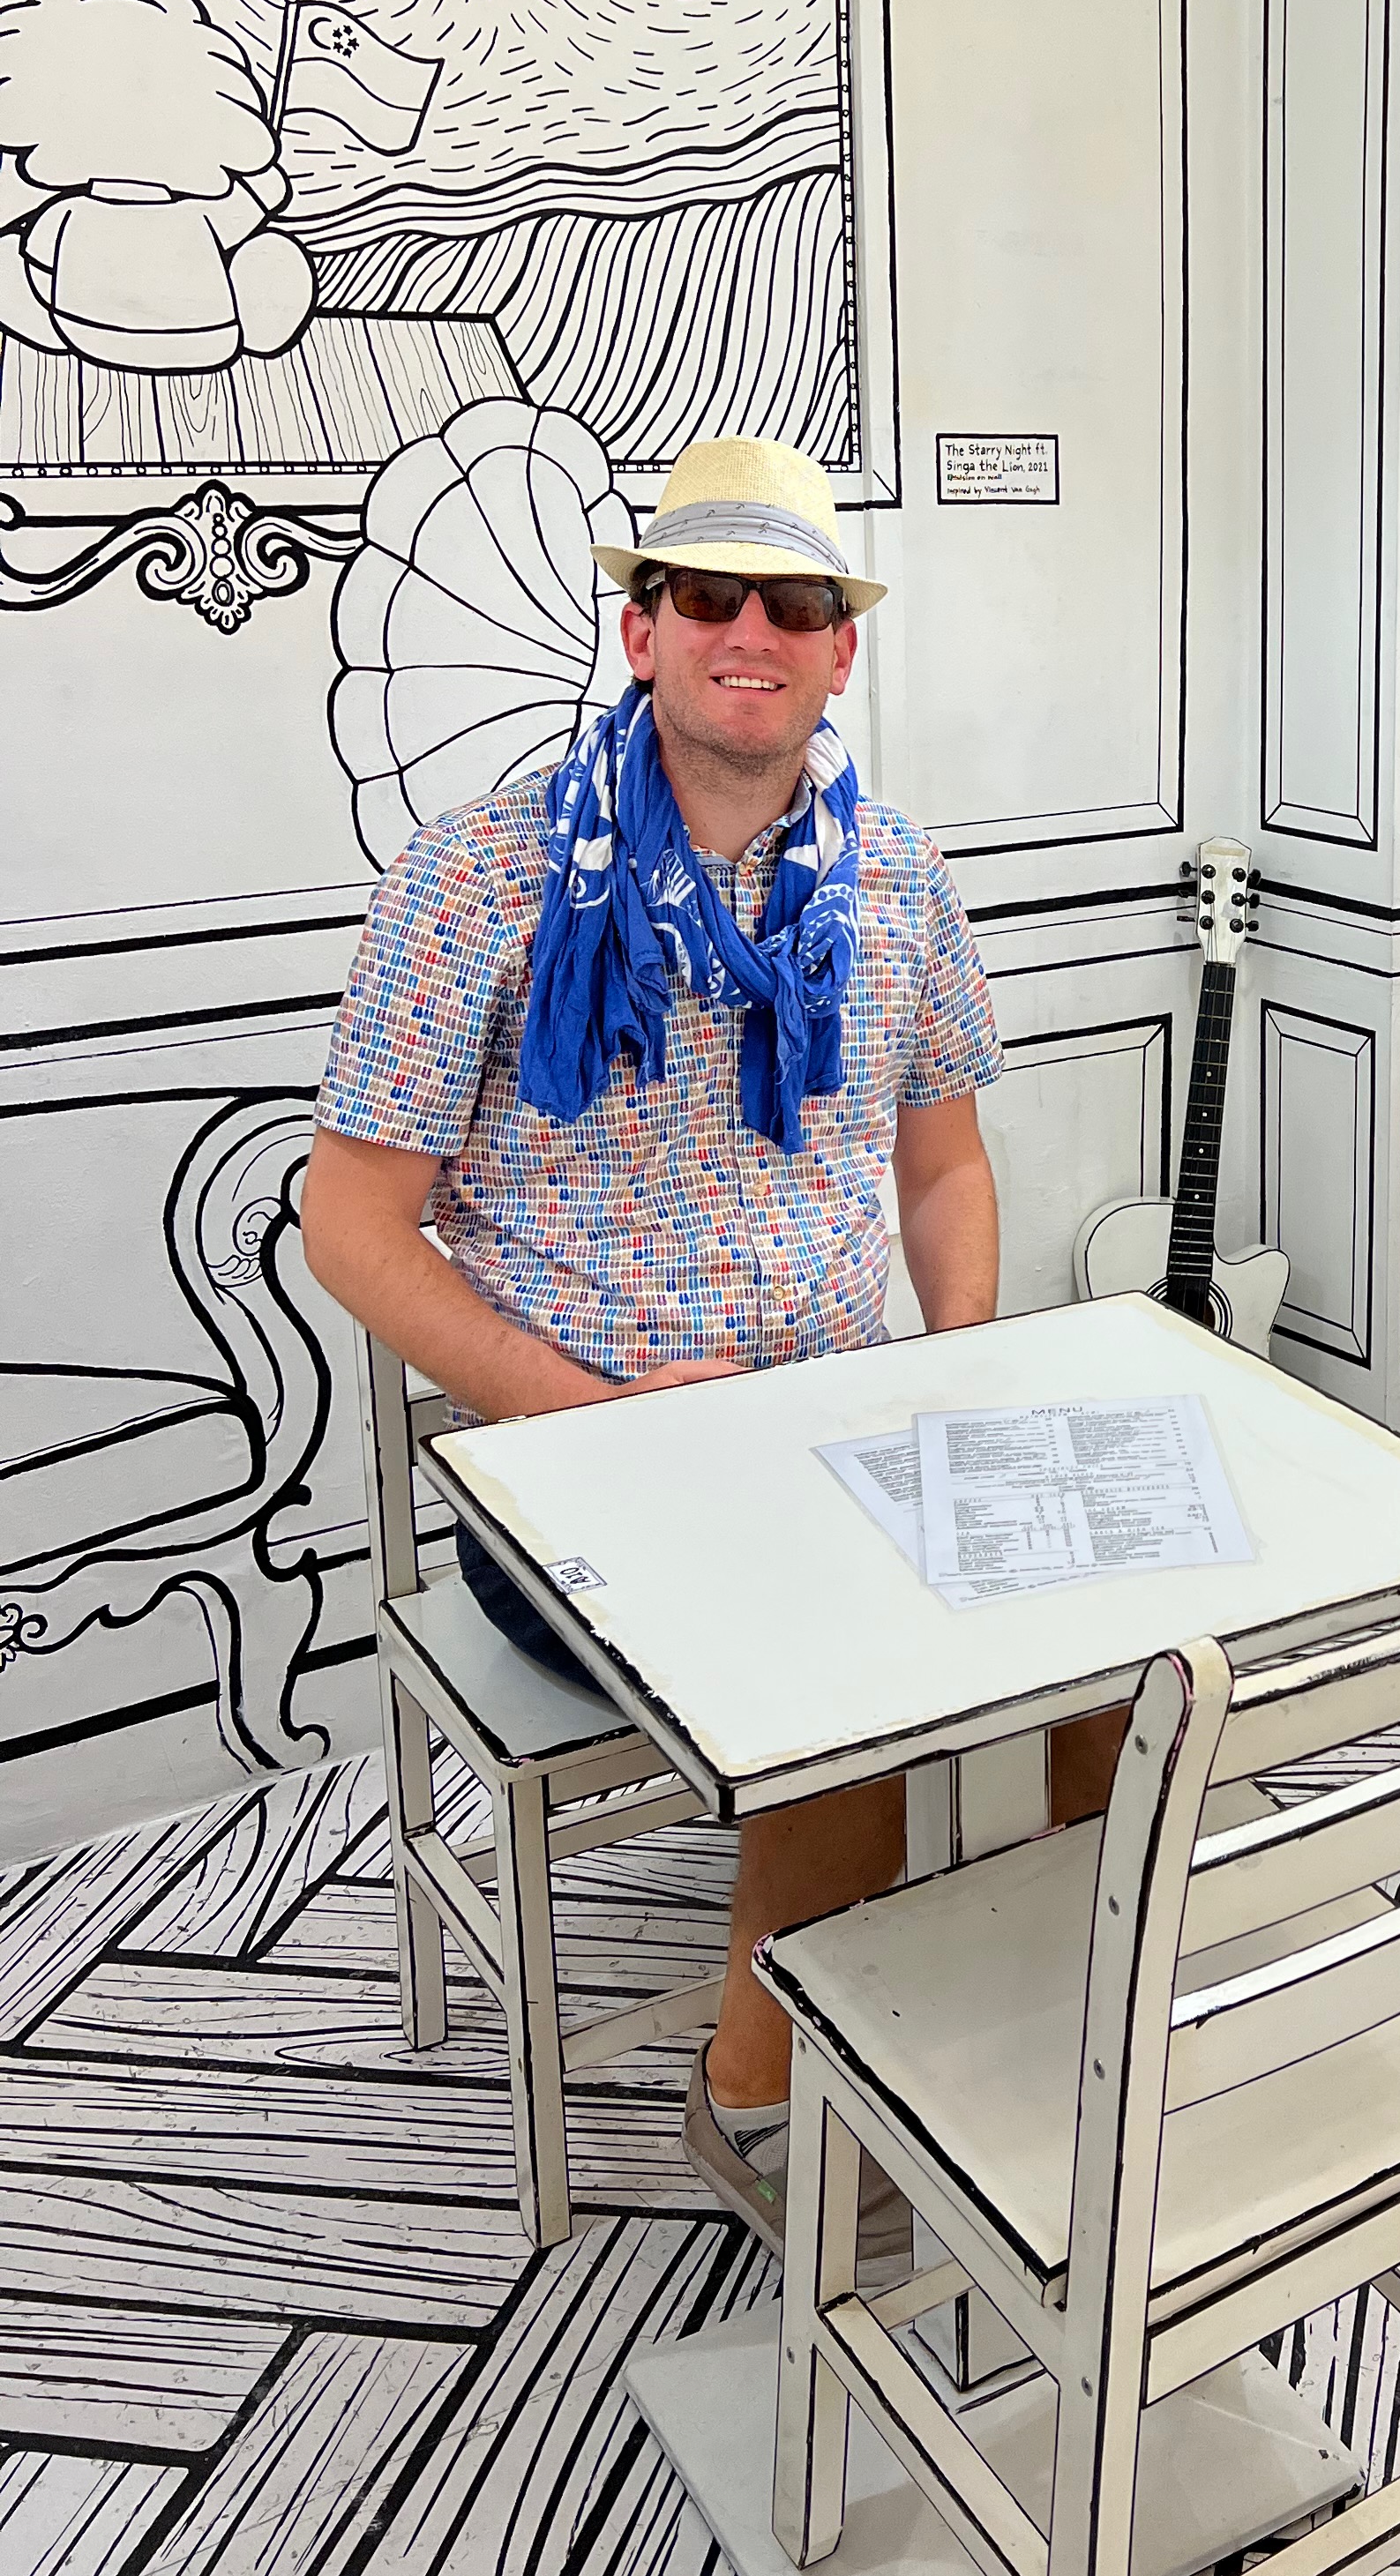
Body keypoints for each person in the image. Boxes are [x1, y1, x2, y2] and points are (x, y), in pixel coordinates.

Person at [305, 432, 1056, 2248]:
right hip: (574, 1472)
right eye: (707, 595)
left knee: (1112, 1638)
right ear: (641, 631)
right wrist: (589, 1420)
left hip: (841, 1422)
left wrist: (951, 1360)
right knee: (863, 1668)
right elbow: (350, 1225)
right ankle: (762, 2093)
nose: (751, 632)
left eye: (792, 605)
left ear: (839, 652)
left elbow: (944, 1164)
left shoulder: (896, 881)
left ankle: (1037, 2035)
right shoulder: (476, 880)